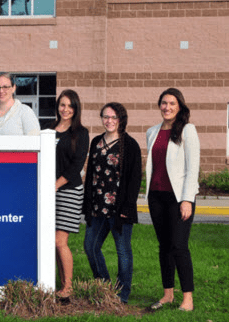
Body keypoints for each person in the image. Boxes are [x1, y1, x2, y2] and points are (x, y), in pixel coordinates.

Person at [146, 88, 199, 312]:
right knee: (164, 247)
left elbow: (192, 168)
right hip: (156, 197)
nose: (167, 107)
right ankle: (168, 294)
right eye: (164, 103)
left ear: (179, 107)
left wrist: (187, 199)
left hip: (179, 199)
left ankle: (188, 299)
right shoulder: (152, 132)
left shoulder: (188, 130)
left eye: (172, 104)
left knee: (179, 246)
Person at [83, 102, 142, 304]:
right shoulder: (96, 142)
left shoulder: (130, 145)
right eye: (105, 117)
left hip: (119, 209)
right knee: (90, 246)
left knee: (123, 251)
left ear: (121, 120)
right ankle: (105, 287)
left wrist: (127, 207)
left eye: (113, 117)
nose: (109, 121)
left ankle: (122, 295)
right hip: (97, 207)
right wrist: (87, 205)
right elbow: (90, 174)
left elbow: (135, 179)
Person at [49, 89, 89, 300]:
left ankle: (69, 287)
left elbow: (77, 165)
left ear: (76, 109)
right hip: (50, 190)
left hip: (69, 190)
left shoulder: (81, 133)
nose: (65, 109)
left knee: (59, 241)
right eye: (62, 105)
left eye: (70, 106)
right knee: (52, 241)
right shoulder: (48, 129)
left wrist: (56, 184)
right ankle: (61, 284)